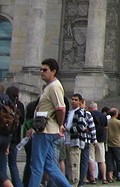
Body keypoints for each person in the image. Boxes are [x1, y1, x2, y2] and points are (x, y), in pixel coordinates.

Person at [26, 58, 73, 187]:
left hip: (46, 131)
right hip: (45, 129)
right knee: (49, 164)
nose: (42, 72)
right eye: (41, 70)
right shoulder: (50, 87)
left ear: (53, 71)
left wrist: (59, 125)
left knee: (36, 165)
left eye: (45, 70)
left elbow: (61, 108)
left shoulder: (54, 86)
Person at [5, 86, 24, 187]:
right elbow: (22, 121)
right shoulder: (20, 105)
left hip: (6, 135)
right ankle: (17, 184)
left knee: (4, 164)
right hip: (16, 137)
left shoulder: (6, 104)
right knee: (13, 163)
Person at [106, 108, 120, 182]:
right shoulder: (119, 122)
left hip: (109, 143)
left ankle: (110, 176)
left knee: (109, 160)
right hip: (117, 143)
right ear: (116, 114)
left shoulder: (107, 122)